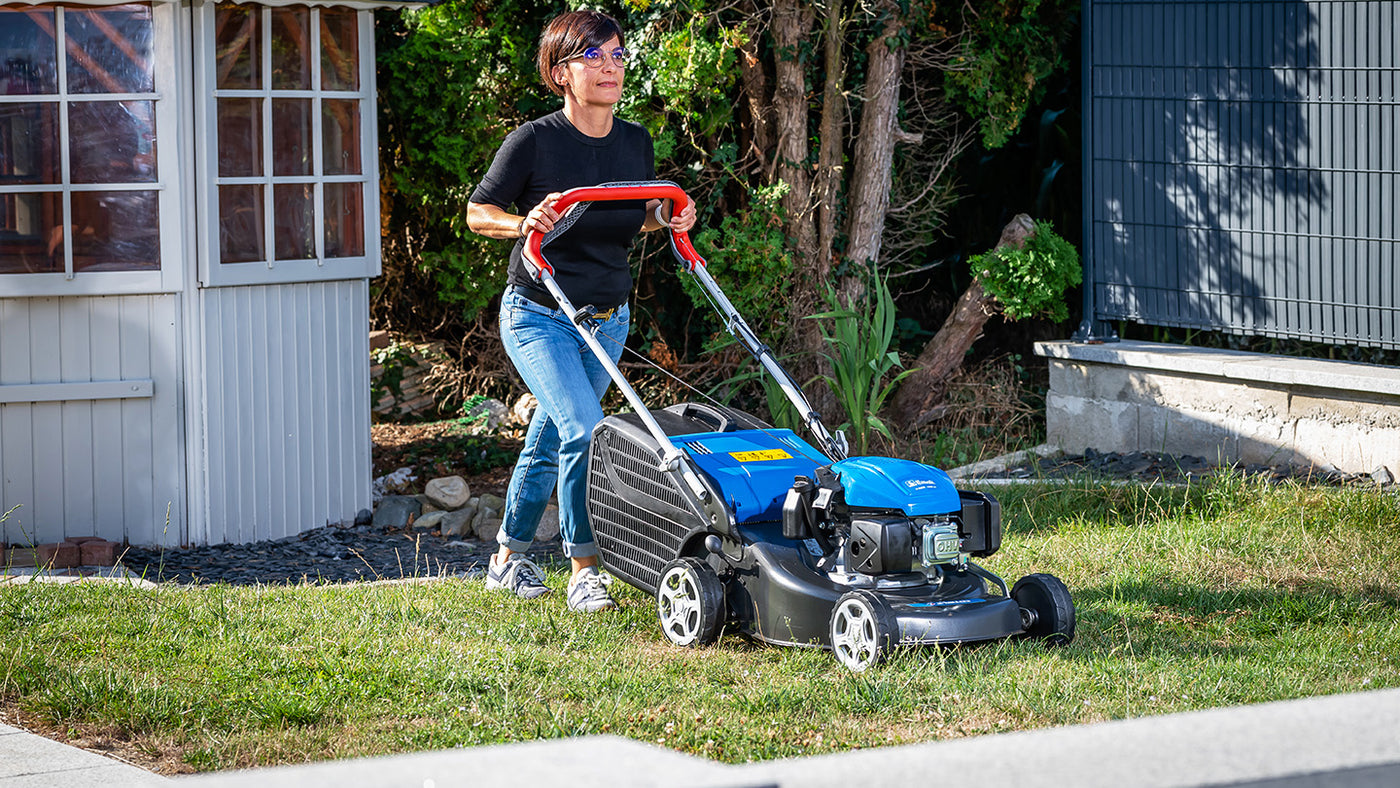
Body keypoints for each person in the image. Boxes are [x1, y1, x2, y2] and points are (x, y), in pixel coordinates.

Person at [466, 10, 696, 612]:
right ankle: (585, 569)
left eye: (617, 56)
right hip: (538, 313)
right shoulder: (534, 141)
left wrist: (668, 217)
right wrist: (524, 223)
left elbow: (635, 217)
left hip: (607, 318)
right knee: (585, 432)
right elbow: (476, 211)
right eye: (592, 57)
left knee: (551, 439)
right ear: (560, 71)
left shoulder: (634, 141)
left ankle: (508, 559)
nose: (609, 68)